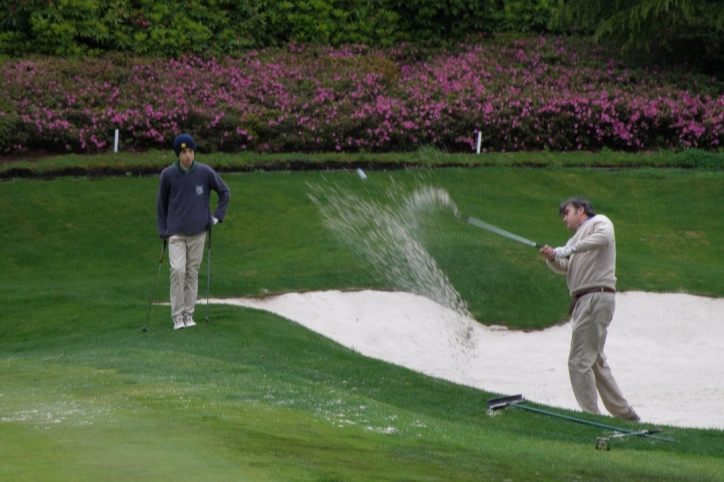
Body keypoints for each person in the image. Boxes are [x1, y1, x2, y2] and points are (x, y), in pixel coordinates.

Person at [540, 197, 639, 422]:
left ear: (581, 210)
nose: (564, 218)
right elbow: (566, 267)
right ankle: (626, 415)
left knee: (578, 361)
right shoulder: (574, 239)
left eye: (567, 212)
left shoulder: (599, 223)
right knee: (594, 361)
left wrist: (570, 248)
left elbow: (604, 238)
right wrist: (553, 257)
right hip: (587, 299)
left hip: (596, 296)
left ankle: (592, 419)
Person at [157, 133, 230, 330]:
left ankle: (189, 314)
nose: (188, 155)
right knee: (177, 271)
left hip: (199, 232)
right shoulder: (168, 175)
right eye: (183, 152)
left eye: (190, 151)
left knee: (192, 273)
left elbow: (224, 192)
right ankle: (177, 316)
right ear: (178, 154)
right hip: (176, 233)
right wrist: (163, 230)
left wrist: (216, 216)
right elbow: (161, 205)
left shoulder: (205, 172)